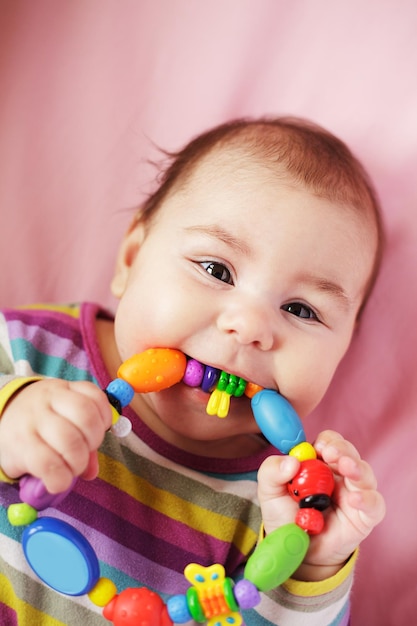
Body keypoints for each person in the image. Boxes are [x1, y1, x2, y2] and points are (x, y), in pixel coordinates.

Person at [0, 117, 386, 625]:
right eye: (216, 270)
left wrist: (311, 567)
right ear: (132, 258)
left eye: (302, 310)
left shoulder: (280, 496)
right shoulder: (31, 348)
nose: (249, 327)